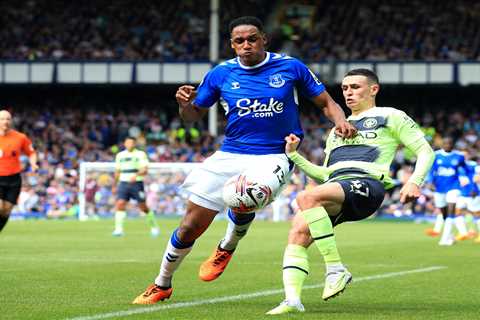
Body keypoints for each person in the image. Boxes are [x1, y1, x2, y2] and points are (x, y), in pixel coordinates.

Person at [132, 16, 356, 304]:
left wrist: (341, 121)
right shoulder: (220, 73)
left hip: (275, 154)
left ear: (264, 39)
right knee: (190, 225)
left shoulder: (290, 66)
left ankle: (228, 244)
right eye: (240, 41)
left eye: (252, 39)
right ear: (232, 44)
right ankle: (162, 283)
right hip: (231, 153)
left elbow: (326, 101)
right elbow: (193, 116)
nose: (246, 45)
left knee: (244, 195)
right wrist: (183, 105)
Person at [266, 68, 435, 315]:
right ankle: (293, 299)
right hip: (339, 187)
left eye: (355, 87)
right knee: (299, 230)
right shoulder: (336, 130)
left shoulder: (389, 115)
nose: (348, 92)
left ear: (373, 89)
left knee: (306, 196)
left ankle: (336, 269)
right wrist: (294, 155)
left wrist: (414, 181)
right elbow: (325, 175)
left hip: (368, 185)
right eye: (344, 88)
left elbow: (425, 151)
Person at [424, 137, 470, 245]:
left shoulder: (459, 156)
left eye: (449, 143)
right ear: (442, 144)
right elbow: (431, 170)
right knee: (444, 213)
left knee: (451, 211)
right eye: (445, 143)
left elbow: (465, 169)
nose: (447, 145)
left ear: (453, 145)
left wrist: (466, 178)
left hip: (454, 187)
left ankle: (444, 239)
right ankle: (450, 236)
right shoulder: (436, 155)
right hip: (439, 188)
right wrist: (430, 182)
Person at [111, 136, 159, 237]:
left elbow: (145, 170)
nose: (129, 145)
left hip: (136, 183)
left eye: (131, 143)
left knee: (143, 207)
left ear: (135, 144)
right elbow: (117, 171)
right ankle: (118, 229)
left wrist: (136, 175)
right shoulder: (120, 155)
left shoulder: (140, 154)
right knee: (120, 204)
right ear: (124, 144)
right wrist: (114, 185)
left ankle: (154, 226)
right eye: (127, 143)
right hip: (123, 183)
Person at [0, 110, 38, 233]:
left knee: (6, 210)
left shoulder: (20, 137)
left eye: (8, 119)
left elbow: (31, 152)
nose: (5, 121)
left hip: (13, 179)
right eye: (2, 119)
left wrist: (33, 163)